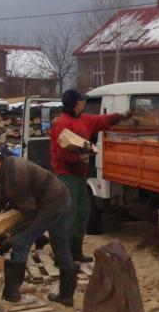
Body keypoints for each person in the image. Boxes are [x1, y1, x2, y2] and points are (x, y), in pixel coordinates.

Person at [0, 146, 77, 306]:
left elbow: (29, 214)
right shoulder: (8, 166)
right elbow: (0, 200)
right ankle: (66, 296)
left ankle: (12, 293)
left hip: (52, 204)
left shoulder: (15, 177)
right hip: (60, 198)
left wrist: (9, 234)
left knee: (21, 242)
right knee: (60, 246)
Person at [50, 89, 132, 262]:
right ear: (77, 103)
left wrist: (122, 116)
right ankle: (63, 255)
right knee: (69, 215)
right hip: (66, 175)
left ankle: (76, 251)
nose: (84, 103)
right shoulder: (62, 123)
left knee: (82, 213)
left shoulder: (85, 119)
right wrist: (78, 157)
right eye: (82, 101)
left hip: (80, 175)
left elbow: (102, 120)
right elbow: (60, 154)